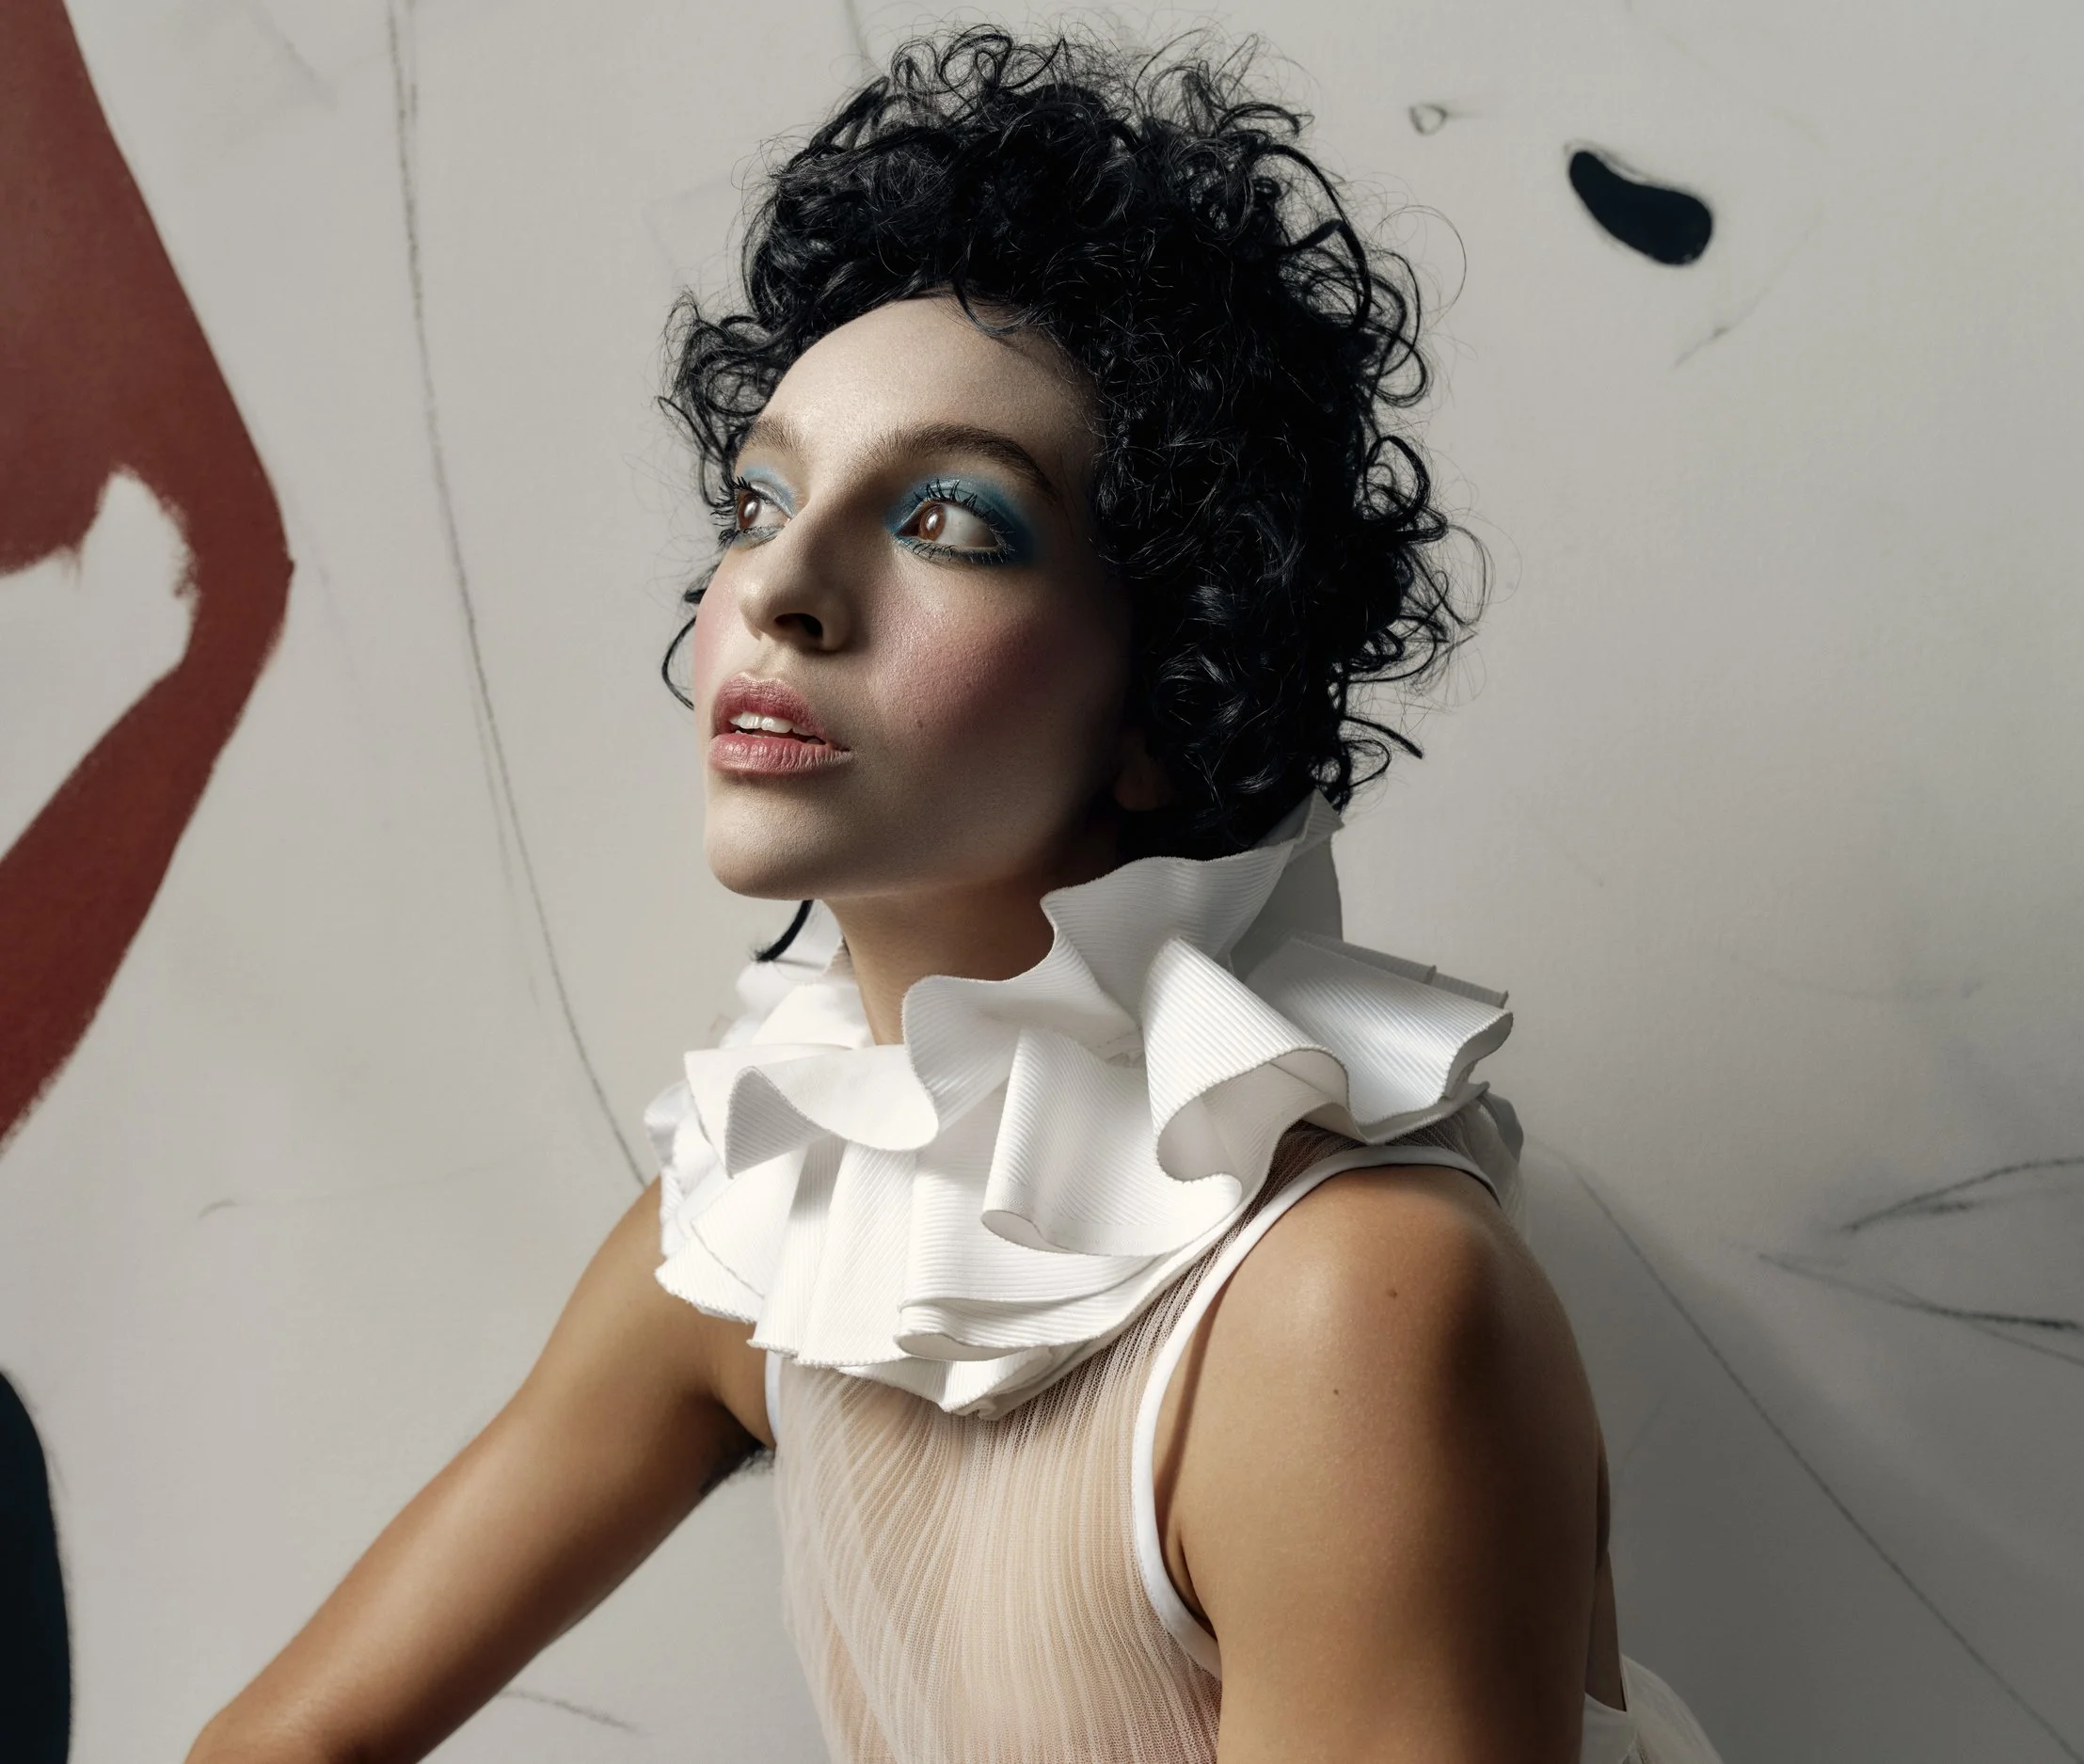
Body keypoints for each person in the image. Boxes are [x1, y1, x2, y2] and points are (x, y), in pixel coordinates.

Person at [190, 29, 1723, 1764]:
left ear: (1167, 696)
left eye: (950, 521)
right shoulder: (763, 1223)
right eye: (760, 497)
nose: (781, 584)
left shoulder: (1342, 1309)